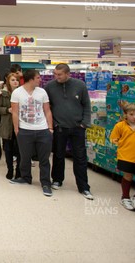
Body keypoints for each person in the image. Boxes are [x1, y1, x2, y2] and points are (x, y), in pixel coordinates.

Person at [44, 63, 93, 200]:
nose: (56, 77)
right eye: (55, 74)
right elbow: (47, 106)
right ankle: (57, 180)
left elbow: (87, 105)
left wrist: (85, 123)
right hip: (59, 127)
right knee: (58, 155)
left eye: (59, 74)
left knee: (80, 157)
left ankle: (83, 187)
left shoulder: (80, 85)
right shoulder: (50, 86)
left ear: (68, 74)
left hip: (78, 127)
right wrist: (51, 124)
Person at [9, 70, 55, 197]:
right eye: (38, 77)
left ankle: (46, 183)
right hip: (24, 130)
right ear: (30, 79)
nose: (40, 79)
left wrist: (50, 128)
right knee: (24, 157)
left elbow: (47, 111)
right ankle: (25, 177)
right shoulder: (17, 93)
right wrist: (16, 129)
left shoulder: (42, 92)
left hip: (42, 129)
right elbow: (15, 112)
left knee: (44, 158)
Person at [0, 73, 21, 180]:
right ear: (8, 81)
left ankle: (19, 170)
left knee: (20, 150)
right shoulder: (3, 94)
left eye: (17, 80)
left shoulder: (22, 94)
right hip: (6, 125)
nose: (15, 82)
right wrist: (7, 110)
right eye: (13, 80)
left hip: (20, 125)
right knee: (8, 149)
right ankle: (10, 169)